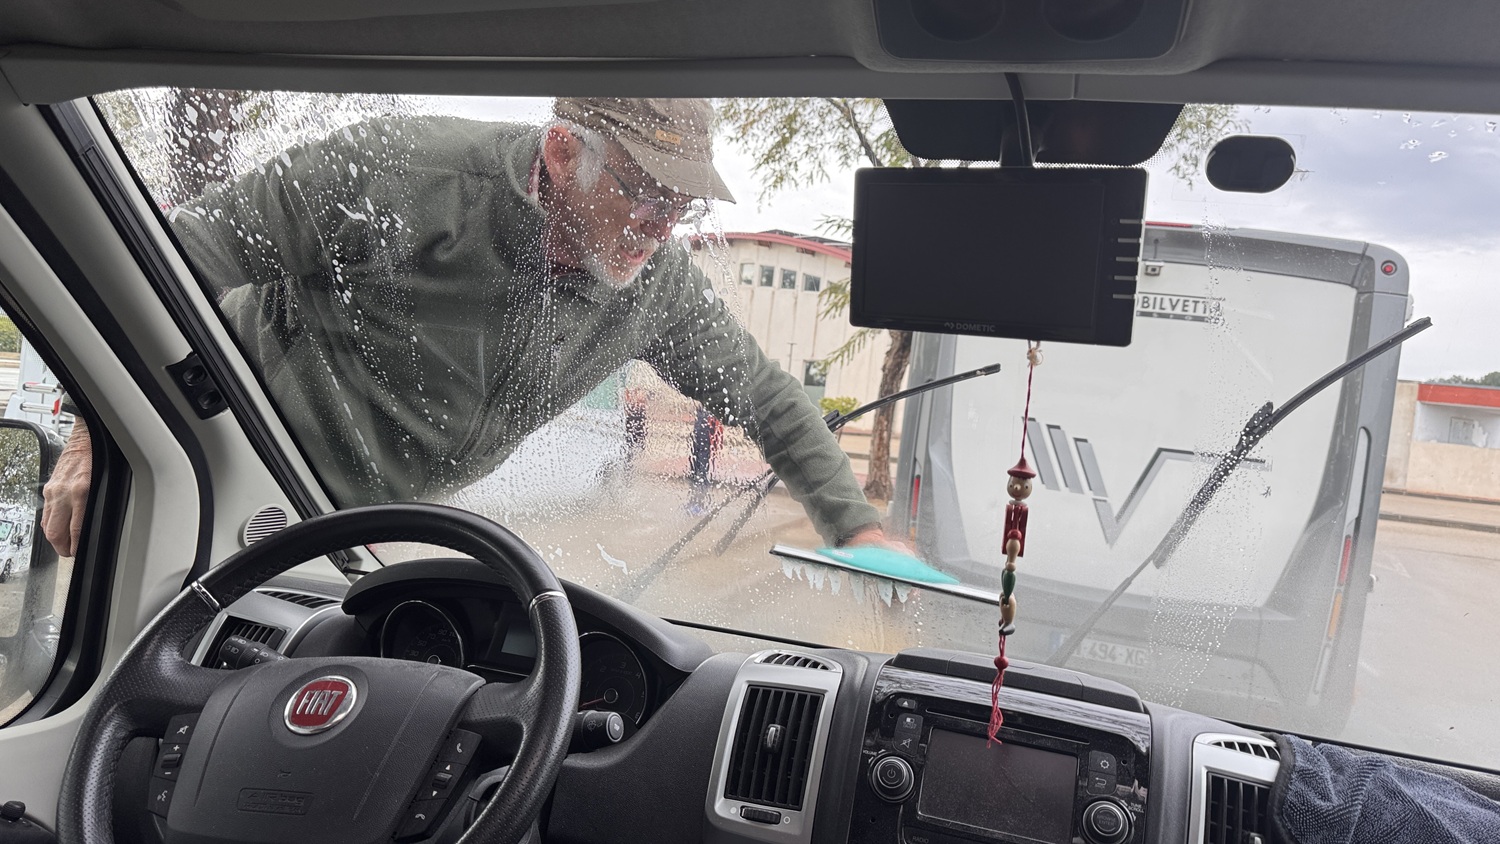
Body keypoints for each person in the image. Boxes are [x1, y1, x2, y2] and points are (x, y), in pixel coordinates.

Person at [41, 97, 898, 557]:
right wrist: (98, 435)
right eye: (643, 191)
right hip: (227, 472)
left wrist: (858, 533)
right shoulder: (401, 170)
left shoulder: (656, 286)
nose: (661, 225)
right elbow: (182, 256)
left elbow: (768, 399)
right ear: (562, 152)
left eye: (681, 205)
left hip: (362, 544)